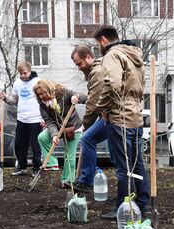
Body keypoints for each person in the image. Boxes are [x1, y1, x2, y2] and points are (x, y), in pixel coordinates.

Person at [94, 25, 149, 217]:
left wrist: (102, 107)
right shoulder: (134, 55)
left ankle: (123, 207)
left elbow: (113, 84)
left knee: (123, 166)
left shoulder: (112, 55)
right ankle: (143, 203)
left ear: (103, 40)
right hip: (136, 115)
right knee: (137, 162)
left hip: (119, 116)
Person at [69, 45, 109, 195]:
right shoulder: (95, 71)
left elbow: (94, 102)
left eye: (79, 63)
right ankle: (86, 179)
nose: (79, 68)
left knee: (87, 138)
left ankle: (87, 181)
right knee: (89, 140)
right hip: (106, 115)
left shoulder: (97, 72)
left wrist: (86, 124)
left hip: (112, 116)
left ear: (88, 57)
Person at [34, 79, 86, 188]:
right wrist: (54, 135)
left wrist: (76, 98)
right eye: (39, 94)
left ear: (48, 89)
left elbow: (84, 97)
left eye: (42, 93)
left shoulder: (63, 93)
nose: (41, 96)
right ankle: (52, 163)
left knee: (69, 155)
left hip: (72, 128)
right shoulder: (42, 104)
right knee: (42, 137)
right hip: (58, 129)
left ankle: (68, 181)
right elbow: (49, 121)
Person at [0, 61, 44, 176]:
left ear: (30, 70)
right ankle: (22, 167)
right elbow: (14, 100)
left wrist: (44, 118)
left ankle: (36, 168)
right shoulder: (17, 83)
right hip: (21, 119)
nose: (23, 75)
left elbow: (44, 100)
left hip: (35, 119)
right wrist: (5, 98)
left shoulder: (37, 82)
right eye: (21, 73)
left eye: (25, 73)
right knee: (19, 144)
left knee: (35, 145)